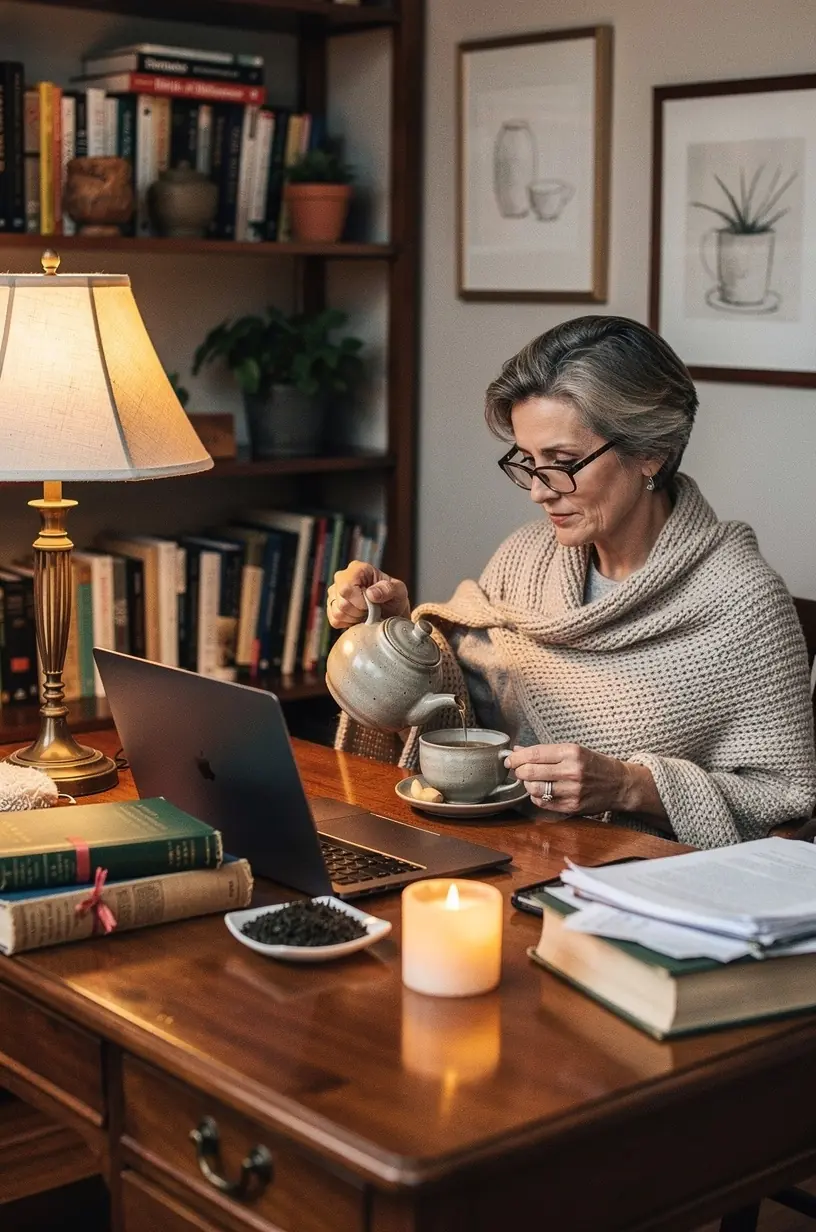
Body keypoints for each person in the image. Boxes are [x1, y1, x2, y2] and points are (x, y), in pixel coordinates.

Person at [328, 316, 816, 848]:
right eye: (527, 462)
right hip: (503, 854)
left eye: (561, 462)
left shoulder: (744, 602)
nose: (539, 491)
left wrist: (630, 787)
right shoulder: (525, 557)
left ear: (650, 451)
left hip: (640, 887)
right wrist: (394, 635)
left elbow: (783, 802)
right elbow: (466, 718)